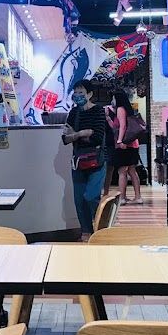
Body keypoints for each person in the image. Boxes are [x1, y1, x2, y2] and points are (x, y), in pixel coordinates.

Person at [62, 80, 107, 239]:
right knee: (79, 200)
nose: (78, 96)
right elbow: (65, 138)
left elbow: (97, 137)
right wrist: (82, 133)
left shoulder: (98, 111)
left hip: (97, 162)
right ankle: (86, 232)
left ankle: (100, 227)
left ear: (90, 94)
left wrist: (77, 134)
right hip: (78, 162)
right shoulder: (74, 113)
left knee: (91, 196)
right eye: (76, 93)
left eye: (81, 93)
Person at [110, 90, 143, 204]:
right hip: (133, 143)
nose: (112, 101)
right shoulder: (128, 110)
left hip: (124, 144)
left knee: (122, 171)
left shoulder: (120, 109)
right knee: (132, 170)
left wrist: (120, 140)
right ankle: (138, 197)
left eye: (113, 98)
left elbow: (122, 126)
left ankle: (122, 198)